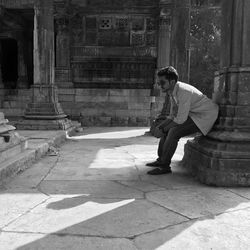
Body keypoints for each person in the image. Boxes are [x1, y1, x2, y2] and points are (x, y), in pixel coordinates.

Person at [146, 66, 219, 175]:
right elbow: (172, 115)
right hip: (194, 114)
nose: (159, 85)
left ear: (172, 81)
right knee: (166, 130)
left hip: (205, 116)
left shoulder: (183, 91)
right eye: (158, 82)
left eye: (162, 82)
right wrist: (160, 127)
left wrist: (163, 129)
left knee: (173, 132)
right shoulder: (172, 91)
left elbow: (180, 119)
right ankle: (160, 160)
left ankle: (164, 166)